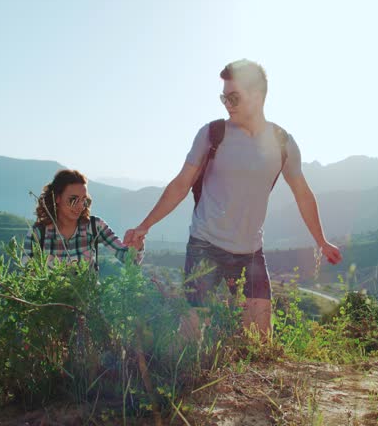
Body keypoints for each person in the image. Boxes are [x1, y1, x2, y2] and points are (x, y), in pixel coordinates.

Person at [123, 59, 342, 337]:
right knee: (191, 336)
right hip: (205, 246)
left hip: (250, 250)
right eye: (223, 97)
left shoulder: (282, 143)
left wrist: (320, 240)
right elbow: (180, 185)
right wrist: (145, 225)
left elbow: (303, 194)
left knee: (260, 339)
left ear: (258, 95)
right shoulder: (213, 134)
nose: (227, 103)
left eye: (233, 97)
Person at [25, 169, 143, 267]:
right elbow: (27, 273)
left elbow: (130, 261)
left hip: (88, 295)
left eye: (84, 200)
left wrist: (136, 248)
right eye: (73, 200)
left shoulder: (95, 226)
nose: (80, 206)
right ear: (57, 198)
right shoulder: (38, 233)